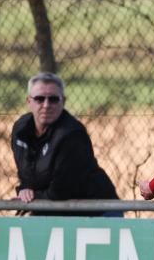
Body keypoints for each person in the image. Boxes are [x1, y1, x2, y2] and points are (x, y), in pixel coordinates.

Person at [11, 72, 120, 216]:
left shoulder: (72, 135)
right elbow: (27, 172)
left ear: (63, 101)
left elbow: (61, 190)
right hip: (56, 209)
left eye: (54, 99)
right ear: (29, 101)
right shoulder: (21, 130)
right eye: (39, 99)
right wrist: (25, 189)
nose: (46, 105)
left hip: (97, 211)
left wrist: (34, 198)